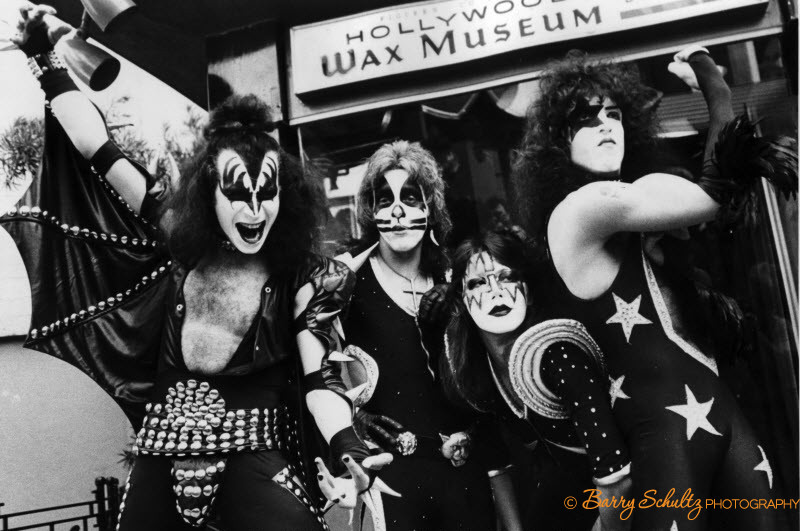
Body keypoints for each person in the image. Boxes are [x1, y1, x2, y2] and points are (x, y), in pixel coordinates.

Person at [3, 5, 390, 530]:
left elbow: (318, 377)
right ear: (210, 194)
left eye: (267, 193)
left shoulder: (303, 276)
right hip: (160, 453)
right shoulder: (177, 237)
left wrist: (347, 445)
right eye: (238, 193)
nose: (254, 210)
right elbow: (95, 145)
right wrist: (42, 58)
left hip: (255, 453)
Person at [511, 47, 796, 530]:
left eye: (614, 114)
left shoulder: (639, 205)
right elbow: (712, 195)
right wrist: (713, 84)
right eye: (586, 118)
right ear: (561, 140)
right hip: (664, 433)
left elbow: (714, 195)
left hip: (719, 412)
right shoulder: (580, 210)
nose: (606, 125)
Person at [337, 141, 522, 531]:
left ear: (431, 207)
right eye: (385, 200)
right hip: (395, 486)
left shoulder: (457, 277)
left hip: (465, 481)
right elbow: (318, 372)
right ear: (370, 210)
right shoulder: (346, 283)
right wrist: (357, 418)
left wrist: (456, 313)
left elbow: (494, 384)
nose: (398, 212)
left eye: (410, 198)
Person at [443, 230, 631, 531]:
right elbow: (497, 457)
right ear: (461, 301)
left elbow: (615, 474)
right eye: (478, 283)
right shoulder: (479, 371)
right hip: (566, 493)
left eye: (507, 277)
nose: (495, 292)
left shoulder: (557, 355)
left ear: (528, 292)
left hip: (628, 496)